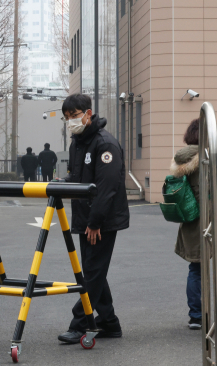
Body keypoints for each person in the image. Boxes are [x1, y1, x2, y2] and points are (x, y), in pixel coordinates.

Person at [57, 94, 130, 344]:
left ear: (88, 114)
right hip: (85, 216)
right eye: (67, 117)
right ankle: (109, 322)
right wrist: (61, 184)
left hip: (102, 221)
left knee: (92, 273)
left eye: (74, 115)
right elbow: (77, 178)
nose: (71, 121)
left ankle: (80, 323)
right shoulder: (77, 143)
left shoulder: (104, 144)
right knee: (93, 271)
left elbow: (107, 186)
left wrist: (96, 222)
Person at [171, 118, 217, 332]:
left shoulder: (182, 159)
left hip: (192, 219)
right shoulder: (210, 157)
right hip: (216, 218)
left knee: (196, 268)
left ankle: (196, 316)